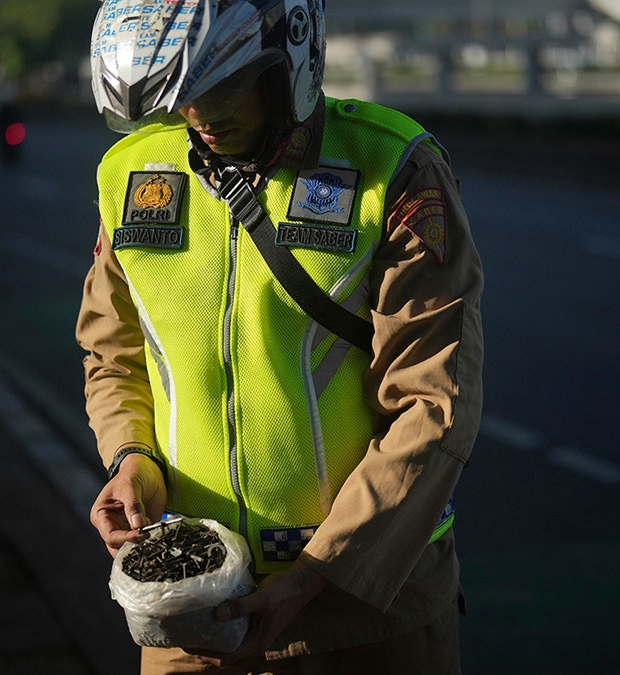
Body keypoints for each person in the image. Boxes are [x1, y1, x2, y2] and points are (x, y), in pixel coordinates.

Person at [78, 1, 483, 673]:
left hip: (365, 610)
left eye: (223, 82)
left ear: (286, 54)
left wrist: (321, 570)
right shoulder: (128, 175)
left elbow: (433, 406)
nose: (201, 112)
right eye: (181, 92)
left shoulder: (395, 169)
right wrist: (131, 458)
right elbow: (113, 351)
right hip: (196, 606)